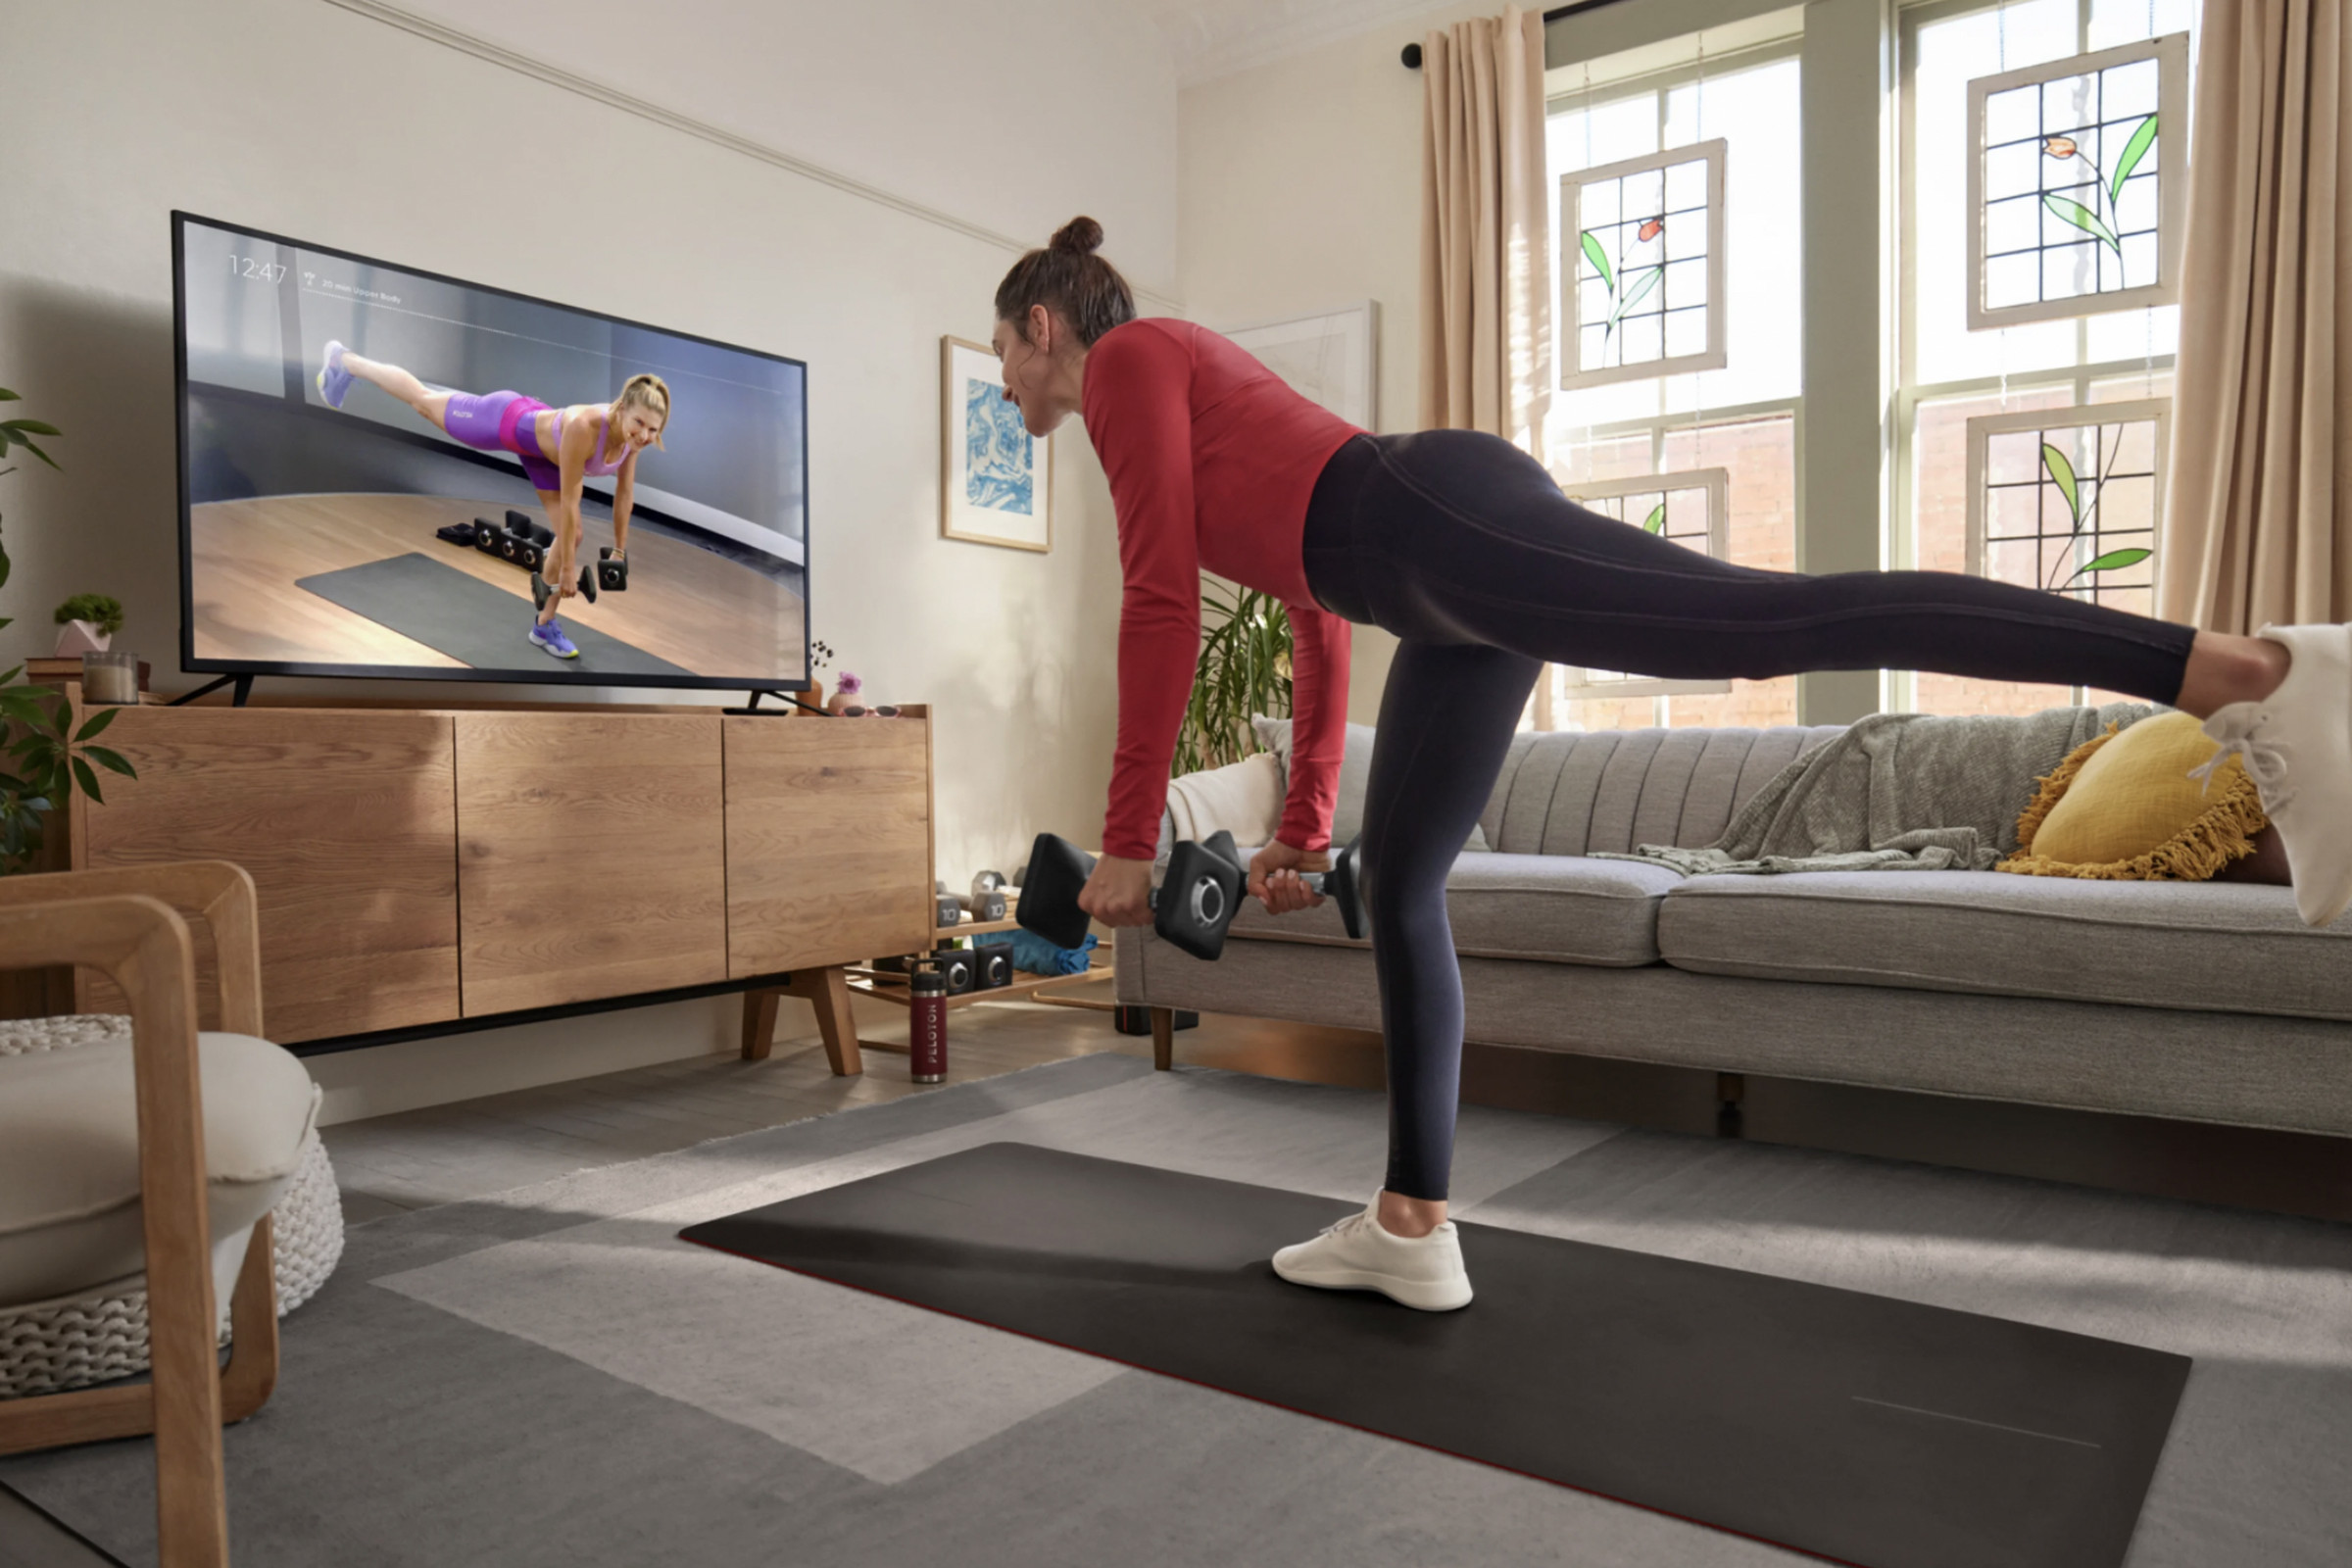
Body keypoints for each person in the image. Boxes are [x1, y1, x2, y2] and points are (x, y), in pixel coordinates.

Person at [994, 216, 2352, 1314]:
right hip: (1424, 582)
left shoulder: (1124, 363)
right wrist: (1299, 824)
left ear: (1043, 327)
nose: (1008, 384)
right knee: (1403, 880)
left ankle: (2244, 676)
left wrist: (1126, 835)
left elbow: (1159, 599)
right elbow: (1307, 604)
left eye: (1004, 354)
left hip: (1436, 526)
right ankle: (1412, 1224)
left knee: (1781, 617)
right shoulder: (1174, 372)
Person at [316, 344, 669, 659]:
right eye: (639, 423)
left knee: (571, 536)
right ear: (622, 409)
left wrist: (620, 552)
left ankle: (544, 626)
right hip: (508, 421)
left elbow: (624, 494)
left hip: (544, 454)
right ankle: (346, 360)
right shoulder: (584, 426)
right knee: (423, 402)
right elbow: (572, 500)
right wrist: (566, 572)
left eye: (654, 430)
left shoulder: (631, 441)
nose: (644, 435)